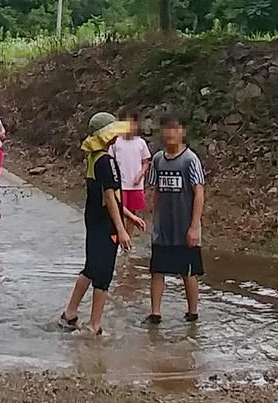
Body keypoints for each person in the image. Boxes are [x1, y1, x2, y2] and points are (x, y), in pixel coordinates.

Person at [59, 112, 145, 337]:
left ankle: (70, 313)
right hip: (106, 225)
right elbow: (110, 197)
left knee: (91, 268)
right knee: (103, 274)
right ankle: (94, 325)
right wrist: (121, 229)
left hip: (94, 221)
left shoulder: (94, 158)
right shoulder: (108, 162)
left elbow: (110, 197)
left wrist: (130, 216)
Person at [146, 107, 205, 326]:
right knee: (157, 270)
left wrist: (194, 225)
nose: (170, 133)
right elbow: (157, 191)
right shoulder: (158, 160)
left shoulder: (190, 160)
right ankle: (155, 313)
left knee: (187, 271)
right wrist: (155, 219)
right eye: (166, 129)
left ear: (183, 132)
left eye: (174, 128)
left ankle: (192, 313)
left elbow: (199, 191)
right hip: (164, 226)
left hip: (185, 224)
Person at [112, 111, 151, 222]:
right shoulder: (116, 142)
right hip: (120, 184)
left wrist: (141, 174)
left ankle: (129, 237)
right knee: (120, 210)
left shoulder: (141, 142)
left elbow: (146, 161)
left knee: (133, 211)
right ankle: (120, 234)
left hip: (136, 184)